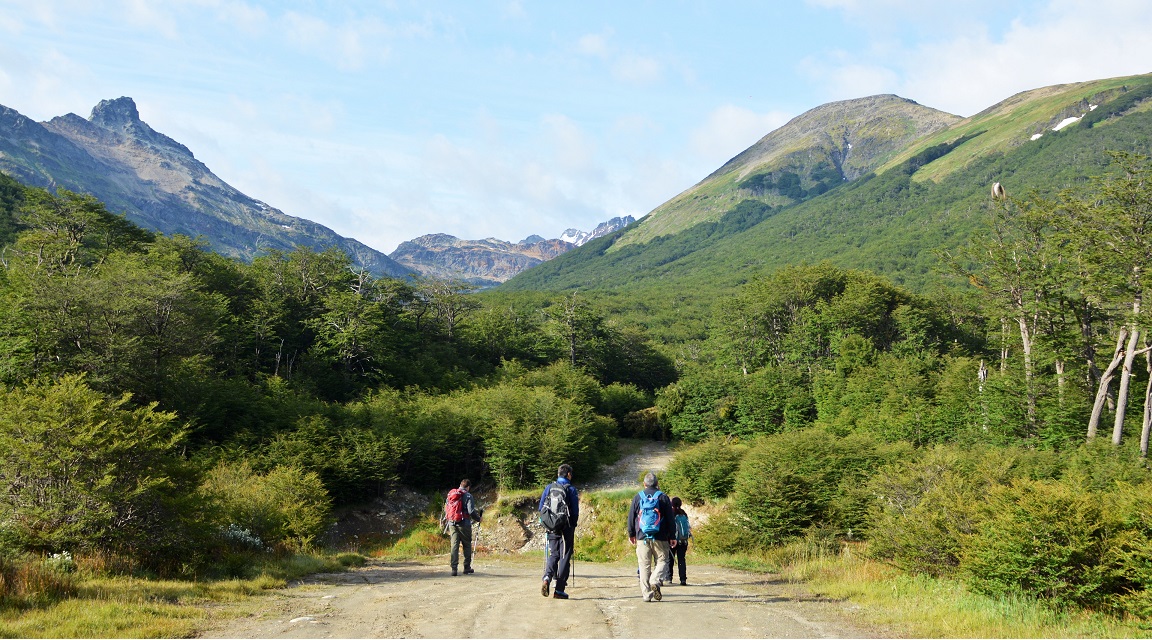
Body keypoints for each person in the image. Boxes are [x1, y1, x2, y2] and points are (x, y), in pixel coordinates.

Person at [627, 472, 676, 602]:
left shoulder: (638, 497)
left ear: (644, 484)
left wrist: (631, 534)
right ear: (657, 484)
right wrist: (672, 535)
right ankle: (655, 580)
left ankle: (646, 595)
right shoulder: (663, 497)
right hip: (660, 536)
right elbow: (671, 519)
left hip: (642, 536)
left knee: (644, 565)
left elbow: (631, 517)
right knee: (662, 560)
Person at [539, 463, 579, 600]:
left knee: (554, 554)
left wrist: (547, 522)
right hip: (565, 528)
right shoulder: (571, 489)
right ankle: (559, 590)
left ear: (558, 474)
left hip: (551, 527)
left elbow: (541, 508)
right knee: (564, 556)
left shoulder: (549, 487)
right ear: (568, 474)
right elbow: (574, 512)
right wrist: (573, 525)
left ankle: (547, 578)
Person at [445, 479, 481, 576]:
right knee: (467, 545)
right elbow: (471, 511)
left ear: (460, 485)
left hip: (452, 523)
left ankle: (454, 568)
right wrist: (478, 519)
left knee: (454, 545)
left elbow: (446, 508)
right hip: (464, 523)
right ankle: (466, 567)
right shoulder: (468, 496)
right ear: (468, 487)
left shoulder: (451, 494)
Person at [669, 496, 691, 585]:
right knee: (682, 559)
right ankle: (683, 579)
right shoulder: (684, 513)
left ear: (672, 504)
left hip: (673, 539)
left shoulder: (672, 513)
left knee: (670, 558)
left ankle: (669, 577)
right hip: (683, 540)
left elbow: (670, 526)